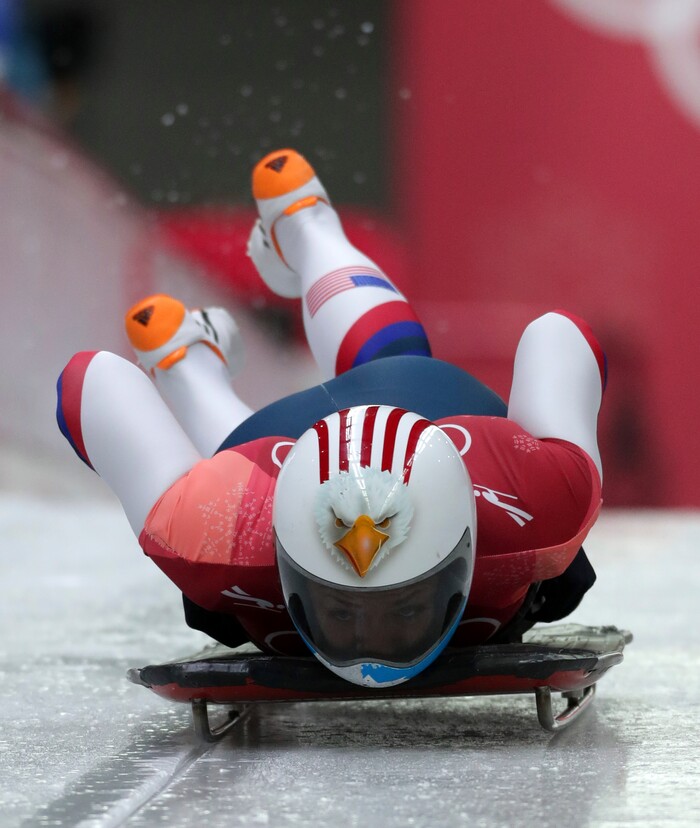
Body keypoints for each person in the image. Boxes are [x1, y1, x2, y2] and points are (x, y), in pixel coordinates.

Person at [57, 149, 603, 688]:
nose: (374, 646)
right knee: (379, 363)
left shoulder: (216, 533)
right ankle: (283, 252)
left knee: (225, 478)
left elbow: (88, 381)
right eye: (340, 612)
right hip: (409, 409)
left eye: (407, 608)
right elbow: (559, 335)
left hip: (390, 419)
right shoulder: (549, 501)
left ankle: (197, 345)